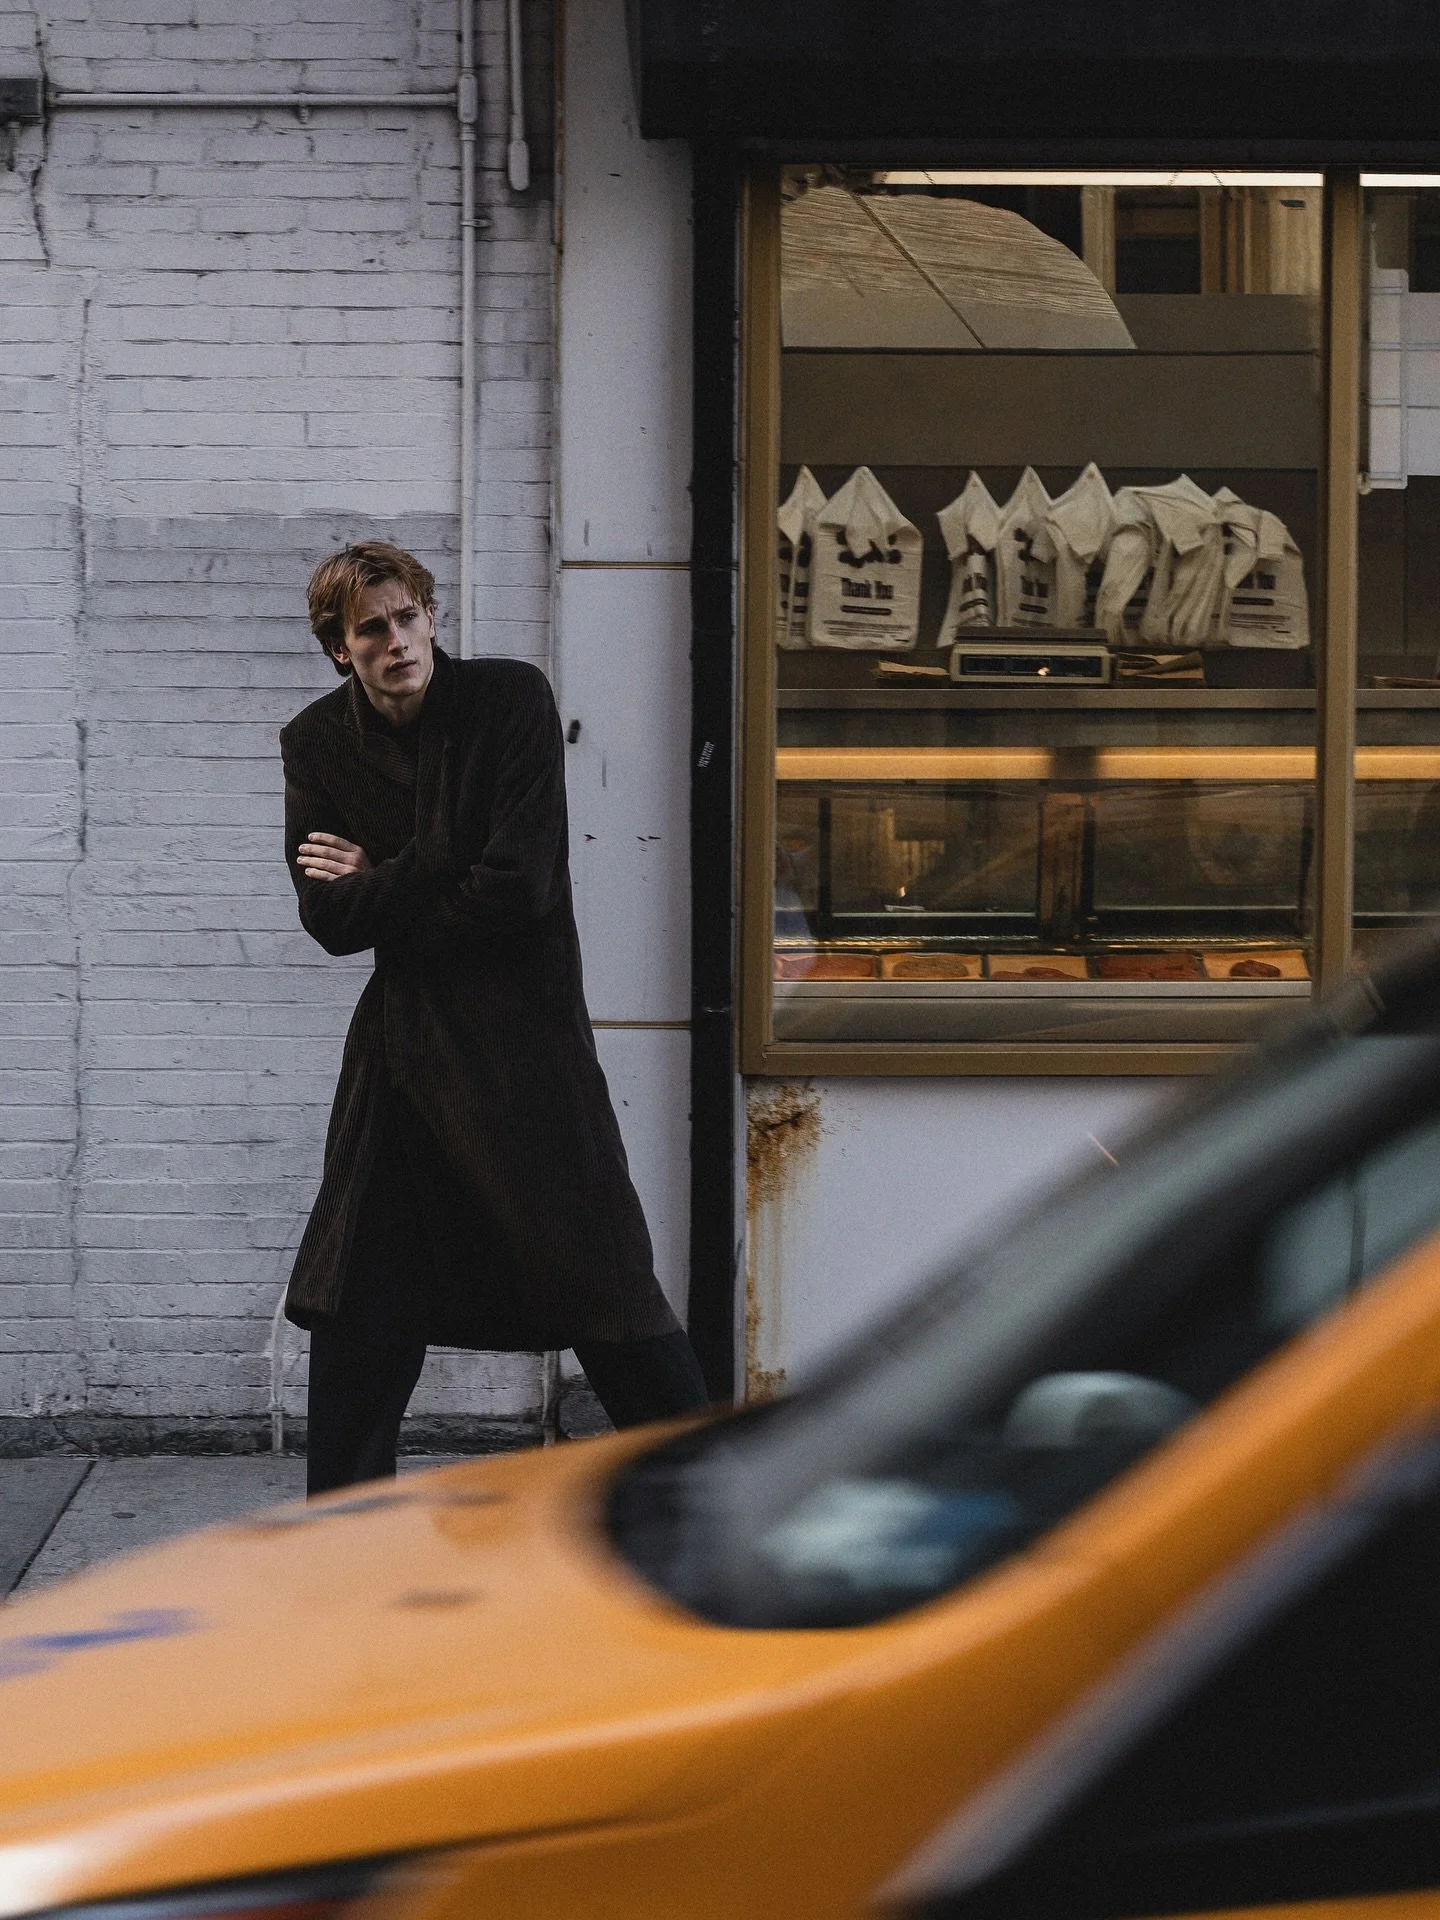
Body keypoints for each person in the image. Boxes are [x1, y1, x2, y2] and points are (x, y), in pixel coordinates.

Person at [280, 540, 710, 1494]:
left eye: (407, 616)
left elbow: (518, 888)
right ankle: (340, 1523)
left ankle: (710, 1488)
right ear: (338, 648)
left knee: (607, 1282)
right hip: (405, 1053)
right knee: (361, 1293)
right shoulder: (315, 745)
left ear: (430, 616)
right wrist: (443, 863)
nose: (397, 641)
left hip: (526, 1047)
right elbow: (328, 921)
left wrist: (389, 873)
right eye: (371, 629)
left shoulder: (508, 702)